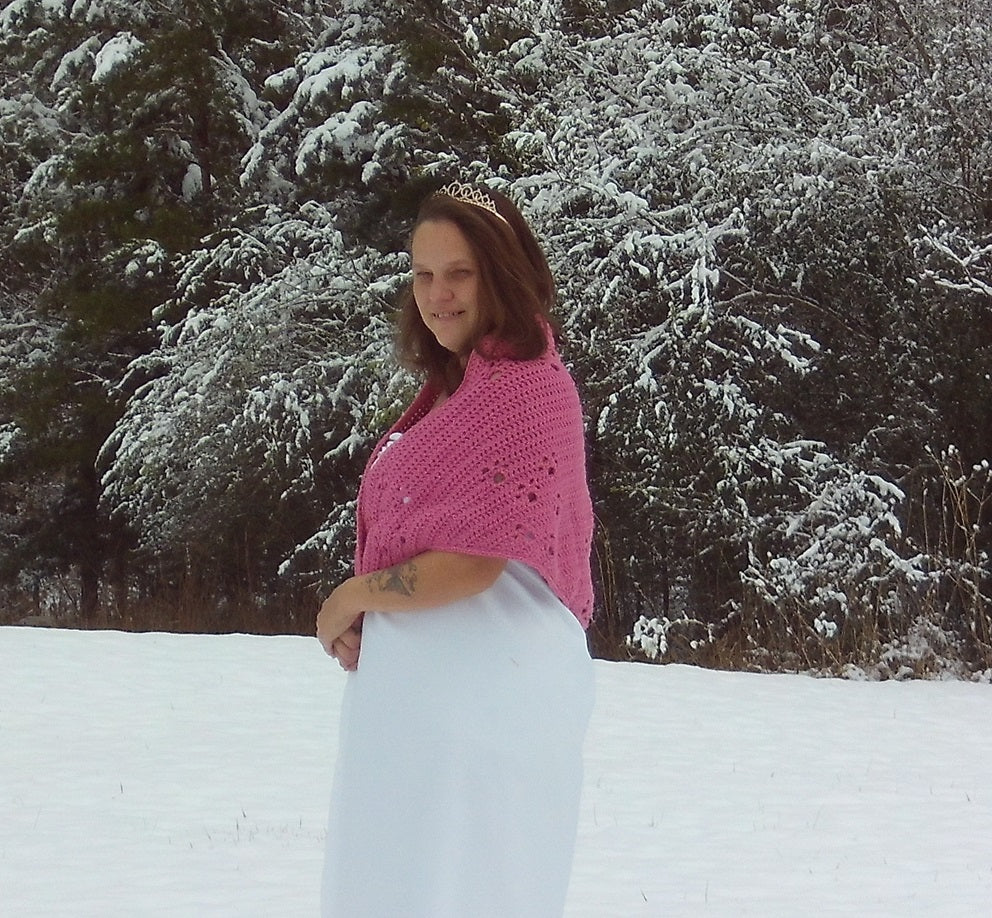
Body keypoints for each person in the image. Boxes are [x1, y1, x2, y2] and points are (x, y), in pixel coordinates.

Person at [316, 181, 596, 918]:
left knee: (465, 891)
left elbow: (475, 561)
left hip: (486, 712)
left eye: (459, 273)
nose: (437, 294)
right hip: (423, 710)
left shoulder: (524, 389)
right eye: (423, 274)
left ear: (502, 272)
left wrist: (353, 598)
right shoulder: (456, 387)